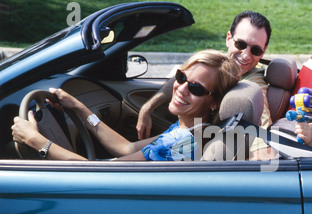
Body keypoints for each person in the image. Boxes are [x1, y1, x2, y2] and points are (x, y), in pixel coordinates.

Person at [11, 50, 241, 161]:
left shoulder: (185, 146)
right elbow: (127, 150)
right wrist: (80, 108)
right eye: (181, 77)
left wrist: (37, 142)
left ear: (215, 103)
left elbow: (95, 175)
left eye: (196, 88)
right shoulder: (190, 129)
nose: (181, 88)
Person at [136, 10, 274, 159]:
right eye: (240, 44)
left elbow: (261, 141)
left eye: (256, 50)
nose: (246, 55)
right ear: (229, 39)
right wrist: (147, 107)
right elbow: (186, 78)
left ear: (263, 51)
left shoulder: (252, 87)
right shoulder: (220, 65)